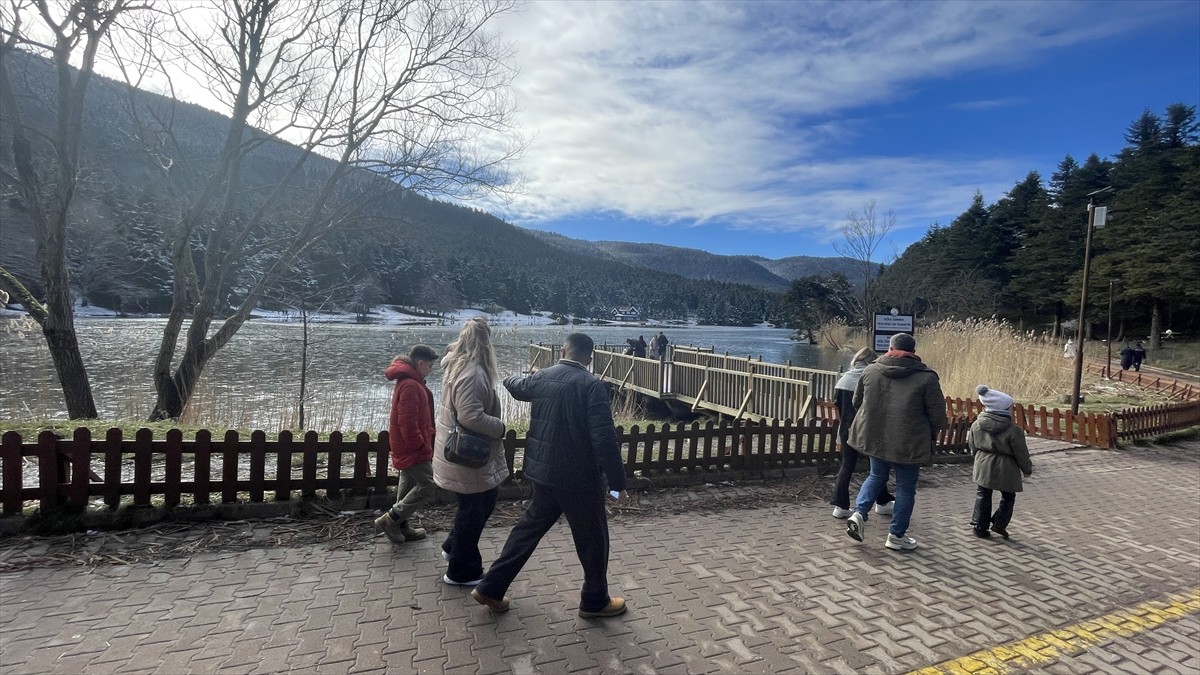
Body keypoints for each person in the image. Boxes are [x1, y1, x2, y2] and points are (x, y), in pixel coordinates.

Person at [471, 332, 629, 618]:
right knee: (593, 540)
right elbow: (604, 440)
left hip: (544, 474)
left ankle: (490, 587)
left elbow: (516, 386)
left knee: (526, 531)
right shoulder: (592, 386)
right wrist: (618, 484)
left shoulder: (542, 377)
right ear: (589, 358)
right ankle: (595, 601)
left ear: (562, 352)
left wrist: (508, 377)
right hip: (580, 480)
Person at [844, 333, 947, 551]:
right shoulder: (927, 378)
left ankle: (859, 513)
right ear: (914, 351)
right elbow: (938, 416)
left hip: (876, 436)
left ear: (889, 348)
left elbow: (856, 402)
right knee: (905, 488)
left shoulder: (870, 370)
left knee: (876, 476)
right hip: (910, 440)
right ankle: (896, 535)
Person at [432, 318, 509, 586]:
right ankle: (462, 571)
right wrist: (499, 427)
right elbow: (471, 416)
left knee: (477, 505)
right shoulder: (473, 373)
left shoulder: (457, 365)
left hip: (459, 454)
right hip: (467, 458)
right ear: (485, 342)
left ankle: (453, 547)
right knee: (475, 508)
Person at [374, 345, 440, 544]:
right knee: (429, 483)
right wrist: (420, 445)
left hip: (408, 445)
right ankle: (391, 519)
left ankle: (400, 525)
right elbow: (408, 422)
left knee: (408, 484)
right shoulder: (411, 385)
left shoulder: (411, 382)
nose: (430, 370)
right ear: (420, 363)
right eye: (429, 366)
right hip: (412, 447)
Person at [830, 347, 894, 519]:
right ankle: (882, 502)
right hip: (867, 429)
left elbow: (838, 408)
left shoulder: (843, 379)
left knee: (846, 466)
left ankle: (840, 505)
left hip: (846, 429)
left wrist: (840, 433)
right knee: (877, 468)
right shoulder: (871, 379)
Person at [969, 385, 1032, 539]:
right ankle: (999, 523)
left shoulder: (977, 425)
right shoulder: (1013, 430)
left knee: (983, 493)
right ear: (1005, 408)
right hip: (1007, 466)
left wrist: (978, 458)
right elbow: (1021, 453)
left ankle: (979, 527)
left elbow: (972, 445)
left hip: (983, 463)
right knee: (1008, 496)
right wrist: (1027, 469)